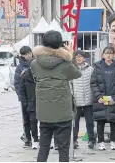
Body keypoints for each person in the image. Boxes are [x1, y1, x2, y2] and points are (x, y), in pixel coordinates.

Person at [30, 31, 82, 162]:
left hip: (44, 113)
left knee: (44, 147)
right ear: (60, 44)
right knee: (64, 149)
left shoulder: (34, 64)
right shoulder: (65, 64)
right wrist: (71, 55)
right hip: (63, 113)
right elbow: (77, 74)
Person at [90, 46, 115, 151]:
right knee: (101, 121)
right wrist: (98, 96)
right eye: (106, 53)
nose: (108, 55)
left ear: (114, 54)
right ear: (103, 54)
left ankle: (113, 141)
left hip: (114, 98)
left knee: (114, 121)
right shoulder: (98, 67)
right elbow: (93, 83)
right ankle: (101, 142)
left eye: (111, 53)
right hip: (101, 98)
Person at [72, 50, 95, 149]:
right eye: (77, 56)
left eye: (80, 56)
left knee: (89, 121)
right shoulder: (72, 69)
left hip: (88, 99)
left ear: (84, 58)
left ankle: (91, 140)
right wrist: (72, 95)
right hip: (76, 100)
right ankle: (74, 140)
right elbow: (70, 84)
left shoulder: (90, 69)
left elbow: (94, 83)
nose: (79, 58)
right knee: (75, 122)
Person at [14, 46, 33, 147]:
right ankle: (27, 138)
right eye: (25, 54)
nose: (27, 56)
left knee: (35, 119)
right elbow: (17, 83)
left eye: (28, 53)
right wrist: (21, 96)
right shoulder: (19, 67)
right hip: (25, 97)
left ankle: (36, 137)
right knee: (26, 119)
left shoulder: (35, 63)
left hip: (35, 96)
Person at [19, 66, 39, 149]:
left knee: (45, 122)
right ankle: (33, 139)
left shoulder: (42, 74)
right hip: (30, 102)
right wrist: (25, 103)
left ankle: (44, 140)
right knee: (31, 121)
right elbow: (21, 90)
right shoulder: (25, 76)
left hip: (41, 102)